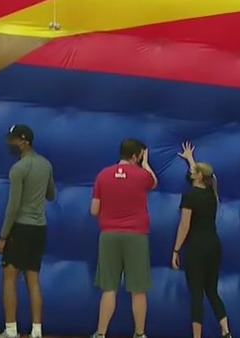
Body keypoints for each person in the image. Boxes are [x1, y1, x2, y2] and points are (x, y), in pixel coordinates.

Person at [90, 138, 158, 338]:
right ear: (136, 156)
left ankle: (101, 334)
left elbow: (94, 210)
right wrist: (146, 164)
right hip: (136, 235)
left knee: (109, 288)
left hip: (109, 235)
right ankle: (139, 334)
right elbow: (154, 182)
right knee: (138, 289)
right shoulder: (142, 175)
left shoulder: (103, 175)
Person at [0, 124, 57, 338]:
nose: (10, 143)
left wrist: (3, 236)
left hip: (20, 229)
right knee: (33, 279)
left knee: (10, 279)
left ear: (24, 141)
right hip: (39, 228)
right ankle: (37, 330)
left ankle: (11, 330)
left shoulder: (19, 169)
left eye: (13, 139)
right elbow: (51, 195)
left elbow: (13, 206)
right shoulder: (46, 164)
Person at [172, 142, 231, 338]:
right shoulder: (211, 195)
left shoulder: (190, 196)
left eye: (194, 170)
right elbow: (202, 175)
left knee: (196, 294)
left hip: (196, 247)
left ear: (199, 176)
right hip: (214, 245)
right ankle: (225, 330)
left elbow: (185, 225)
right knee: (212, 291)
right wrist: (191, 159)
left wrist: (176, 250)